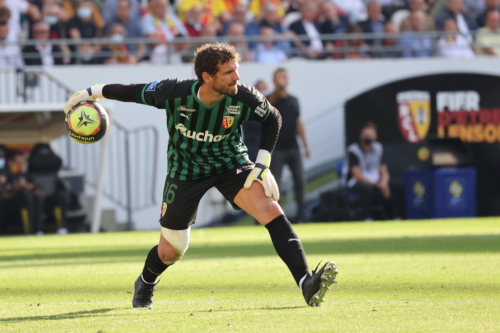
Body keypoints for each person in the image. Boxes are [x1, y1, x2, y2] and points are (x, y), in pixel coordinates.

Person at [63, 43, 338, 308]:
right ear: (207, 77)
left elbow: (273, 118)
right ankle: (146, 282)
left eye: (236, 69)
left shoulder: (243, 96)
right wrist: (92, 91)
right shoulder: (173, 92)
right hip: (185, 171)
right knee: (172, 250)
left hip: (230, 163)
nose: (237, 77)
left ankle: (305, 281)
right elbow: (133, 91)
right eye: (229, 72)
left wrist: (262, 163)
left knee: (270, 209)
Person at [268, 68, 310, 223]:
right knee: (275, 185)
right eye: (279, 77)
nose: (282, 80)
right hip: (276, 149)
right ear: (273, 80)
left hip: (293, 147)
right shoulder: (270, 99)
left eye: (284, 77)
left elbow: (299, 122)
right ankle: (276, 218)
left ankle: (302, 215)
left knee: (300, 181)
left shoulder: (294, 100)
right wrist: (278, 89)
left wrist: (306, 145)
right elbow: (270, 104)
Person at [344, 122, 393, 221]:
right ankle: (366, 218)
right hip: (355, 181)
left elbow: (384, 170)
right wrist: (378, 185)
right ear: (360, 136)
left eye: (370, 136)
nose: (368, 138)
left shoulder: (378, 148)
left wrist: (384, 183)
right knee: (366, 189)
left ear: (375, 136)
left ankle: (393, 217)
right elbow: (357, 175)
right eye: (365, 136)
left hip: (375, 179)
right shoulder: (353, 150)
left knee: (394, 185)